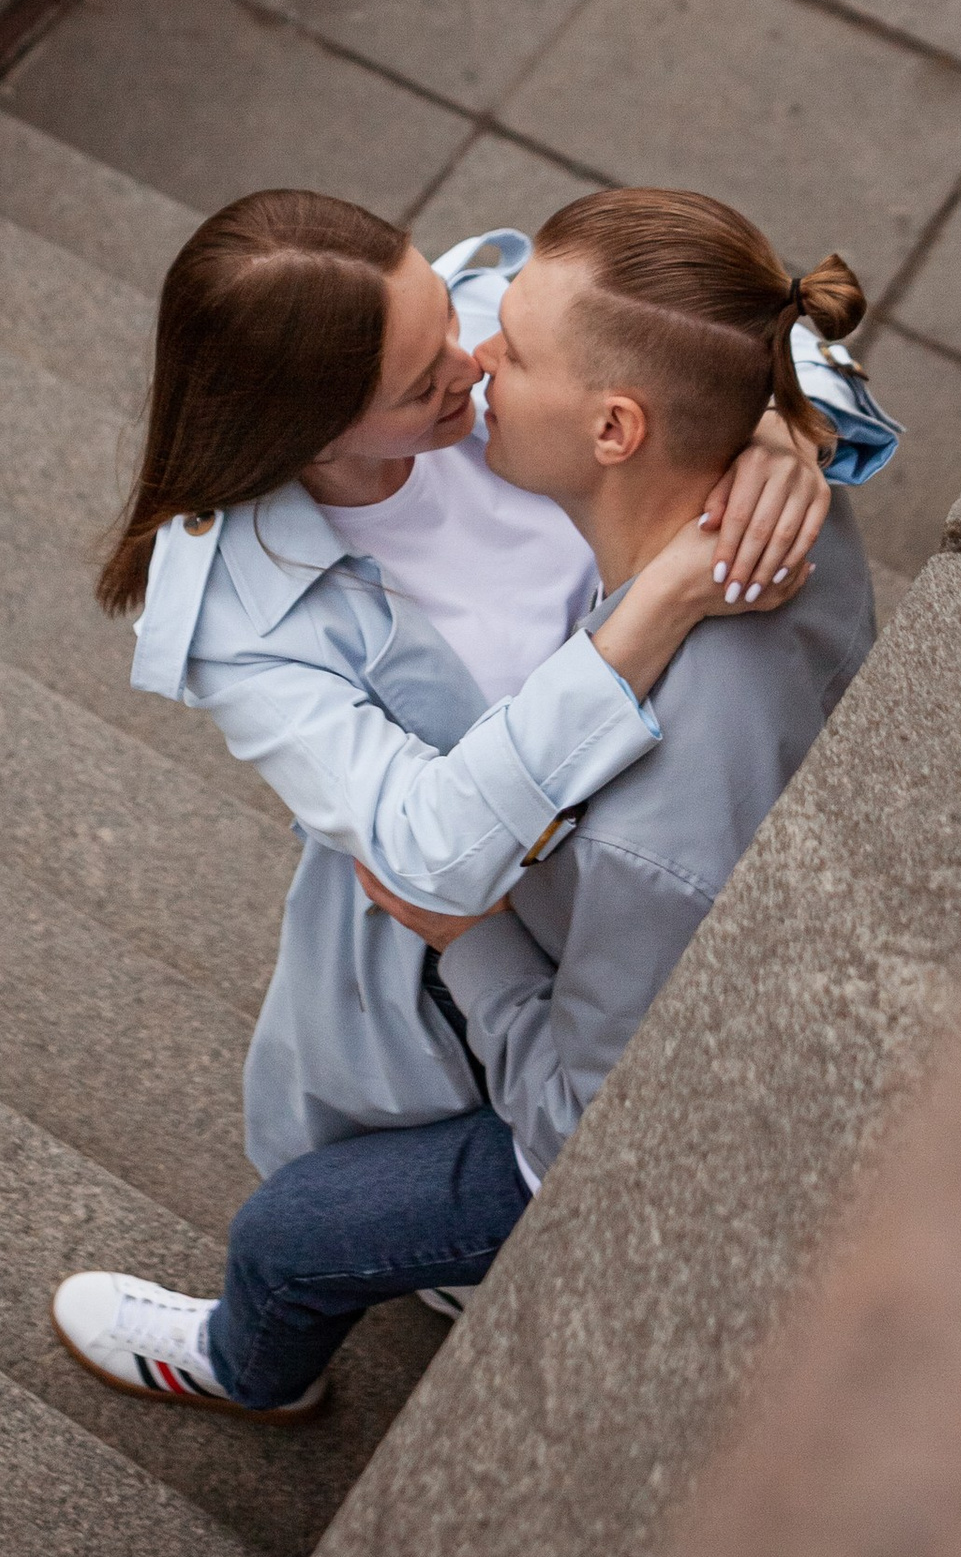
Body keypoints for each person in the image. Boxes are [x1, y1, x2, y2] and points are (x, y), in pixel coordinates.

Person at [53, 187, 889, 1414]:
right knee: (338, 1176)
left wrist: (773, 423)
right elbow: (431, 857)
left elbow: (708, 328)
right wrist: (661, 599)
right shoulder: (251, 614)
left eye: (451, 312)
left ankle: (272, 1357)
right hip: (477, 910)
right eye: (418, 379)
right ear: (306, 426)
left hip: (609, 900)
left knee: (305, 1231)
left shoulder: (513, 349)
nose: (472, 360)